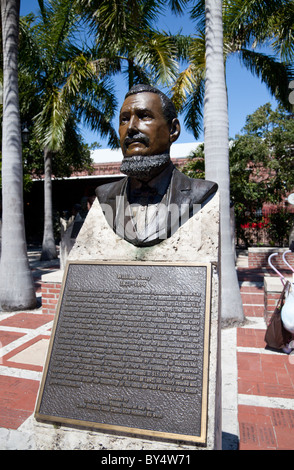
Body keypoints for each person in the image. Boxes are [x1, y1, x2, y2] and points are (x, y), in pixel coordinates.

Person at [96, 84, 218, 247]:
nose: (131, 127)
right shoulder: (105, 195)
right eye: (124, 119)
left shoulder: (200, 193)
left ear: (173, 130)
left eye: (144, 116)